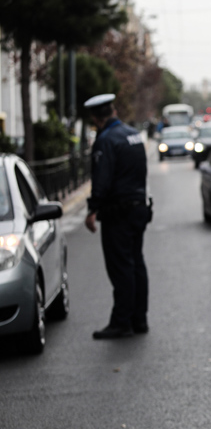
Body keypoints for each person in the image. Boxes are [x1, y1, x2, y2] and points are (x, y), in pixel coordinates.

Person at [84, 93, 152, 340]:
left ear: (96, 118)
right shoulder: (132, 134)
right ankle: (139, 319)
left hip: (118, 213)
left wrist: (93, 209)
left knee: (121, 268)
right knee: (136, 264)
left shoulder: (106, 140)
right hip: (138, 208)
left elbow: (102, 179)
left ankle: (121, 321)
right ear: (112, 111)